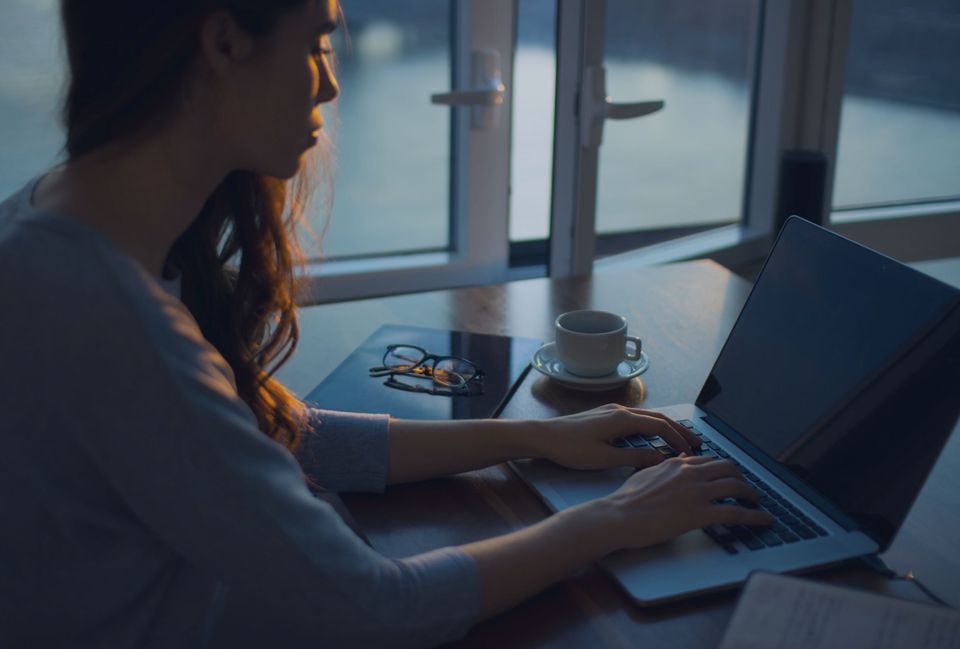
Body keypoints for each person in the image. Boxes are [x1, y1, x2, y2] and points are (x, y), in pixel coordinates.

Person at [0, 1, 771, 646]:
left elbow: (277, 433)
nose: (331, 83)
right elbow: (375, 608)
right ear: (225, 40)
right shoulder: (114, 323)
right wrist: (611, 519)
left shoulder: (53, 217)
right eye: (316, 42)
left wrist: (529, 438)